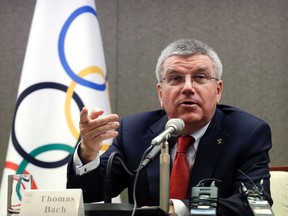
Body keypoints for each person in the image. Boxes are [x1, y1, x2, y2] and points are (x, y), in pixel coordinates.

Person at [67, 39, 273, 216]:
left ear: (218, 91)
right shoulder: (134, 131)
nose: (188, 87)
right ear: (160, 93)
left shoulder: (247, 133)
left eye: (200, 77)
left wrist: (177, 209)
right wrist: (88, 152)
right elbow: (90, 194)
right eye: (175, 78)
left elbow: (255, 205)